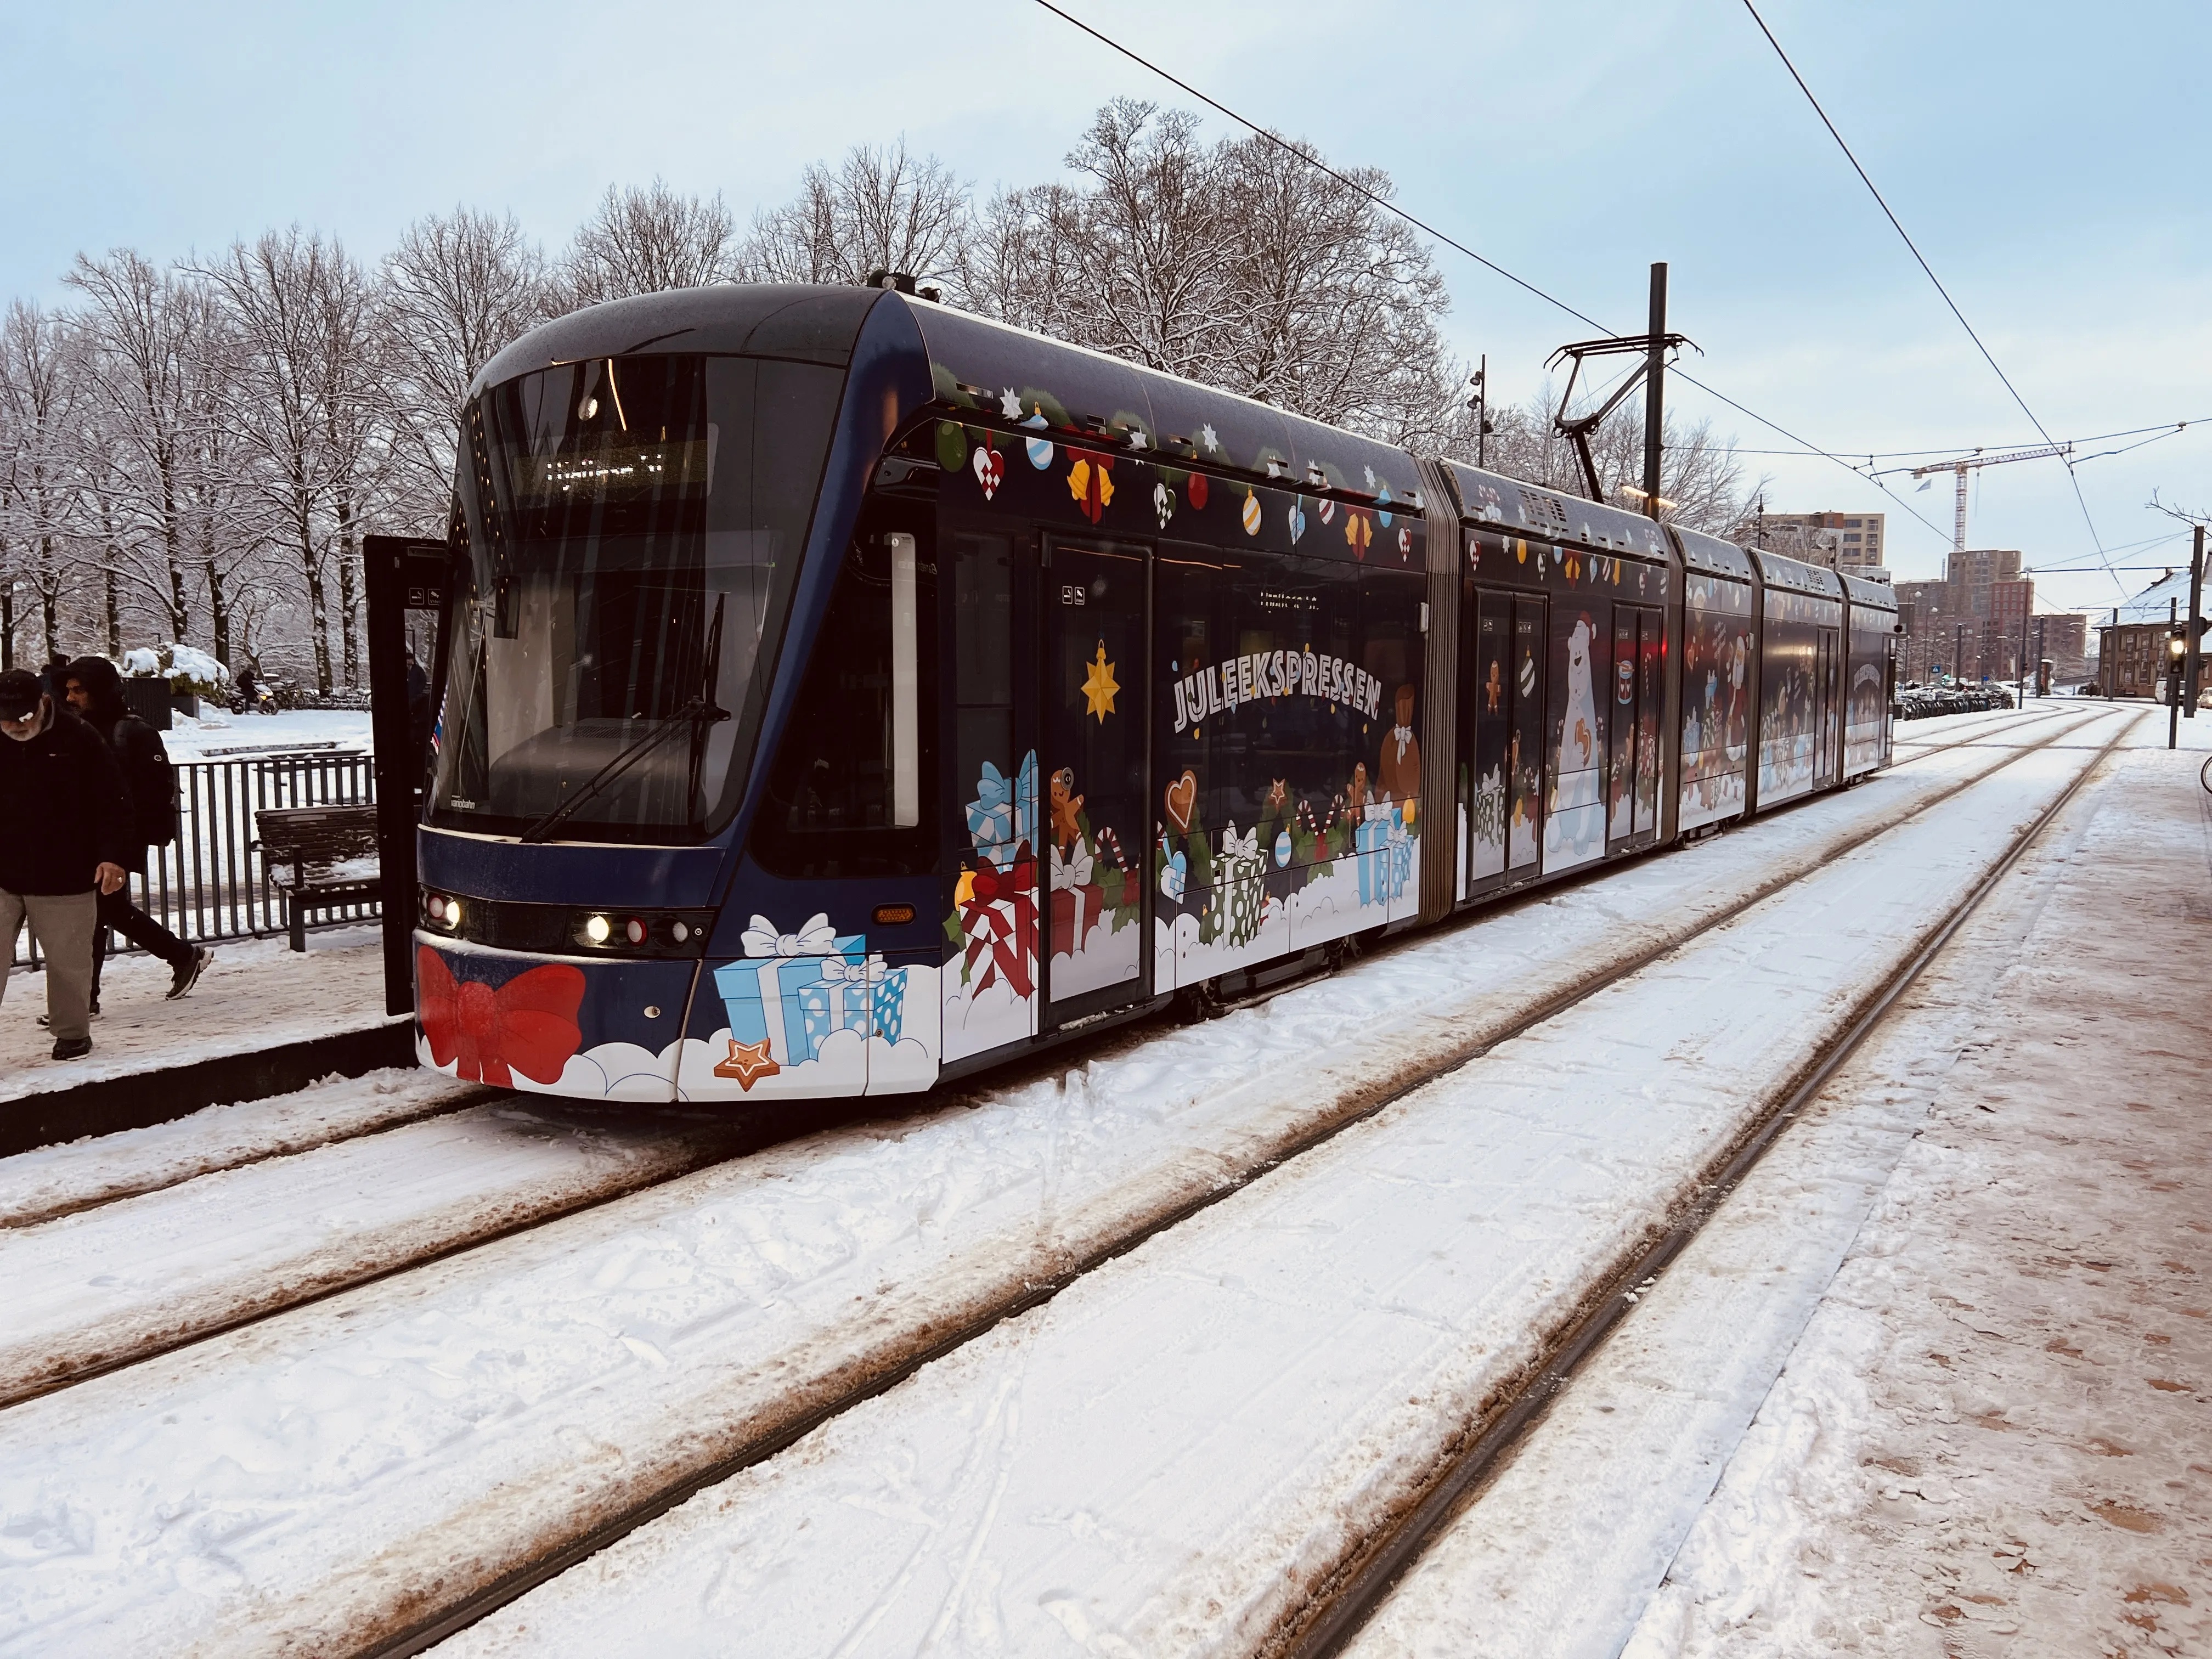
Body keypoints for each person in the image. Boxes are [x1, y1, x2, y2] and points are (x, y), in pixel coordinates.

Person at [0, 667, 132, 1060]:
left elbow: (114, 800)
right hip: (3, 871)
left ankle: (72, 1033)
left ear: (42, 703)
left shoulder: (79, 737)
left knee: (68, 961)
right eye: (4, 719)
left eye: (22, 718)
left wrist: (112, 857)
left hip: (66, 870)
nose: (14, 726)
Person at [65, 656, 212, 1007]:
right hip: (89, 838)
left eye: (79, 690)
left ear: (99, 690)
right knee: (101, 913)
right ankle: (178, 957)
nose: (71, 698)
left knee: (99, 912)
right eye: (68, 690)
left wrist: (128, 841)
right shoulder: (79, 728)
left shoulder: (132, 731)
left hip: (117, 838)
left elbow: (154, 790)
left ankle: (86, 997)